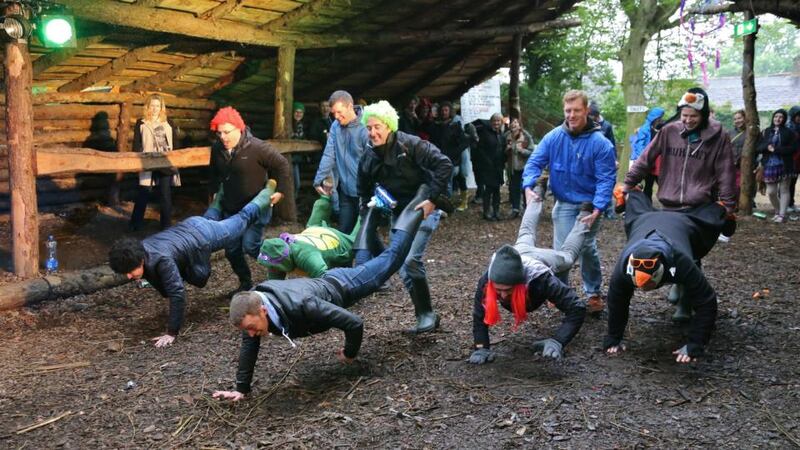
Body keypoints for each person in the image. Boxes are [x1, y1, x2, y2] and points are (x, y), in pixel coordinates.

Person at [212, 186, 430, 401]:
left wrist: (350, 353)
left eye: (251, 328)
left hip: (344, 285)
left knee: (392, 259)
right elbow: (249, 346)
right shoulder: (252, 304)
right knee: (364, 260)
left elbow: (354, 323)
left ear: (262, 310)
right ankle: (371, 209)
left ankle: (416, 209)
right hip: (330, 283)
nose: (250, 334)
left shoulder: (303, 305)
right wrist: (241, 389)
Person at [108, 183, 278, 348]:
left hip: (203, 236)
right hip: (192, 225)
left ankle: (266, 192)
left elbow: (177, 294)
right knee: (211, 220)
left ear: (141, 260)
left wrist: (171, 332)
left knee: (242, 219)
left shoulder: (162, 261)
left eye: (130, 271)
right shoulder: (141, 249)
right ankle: (219, 197)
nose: (129, 276)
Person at [356, 100, 453, 334]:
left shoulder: (411, 145)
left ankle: (427, 315)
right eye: (369, 128)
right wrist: (371, 213)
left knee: (410, 261)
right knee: (401, 264)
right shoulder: (368, 158)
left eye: (377, 126)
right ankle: (423, 315)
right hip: (399, 212)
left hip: (423, 206)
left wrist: (432, 198)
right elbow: (363, 191)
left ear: (389, 125)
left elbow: (444, 164)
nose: (373, 132)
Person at [469, 181, 590, 364]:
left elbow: (577, 308)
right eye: (498, 289)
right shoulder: (488, 280)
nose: (502, 295)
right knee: (525, 231)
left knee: (568, 255)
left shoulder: (541, 280)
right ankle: (537, 193)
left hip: (539, 260)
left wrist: (558, 341)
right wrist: (482, 347)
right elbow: (479, 315)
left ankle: (585, 213)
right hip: (520, 251)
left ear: (519, 284)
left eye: (507, 290)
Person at [603, 189, 728, 364]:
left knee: (714, 218)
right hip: (644, 221)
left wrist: (695, 344)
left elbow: (707, 300)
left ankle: (683, 296)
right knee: (634, 203)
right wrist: (613, 338)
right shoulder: (624, 266)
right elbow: (617, 301)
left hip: (684, 225)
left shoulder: (681, 261)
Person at [522, 90, 617, 313]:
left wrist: (598, 207)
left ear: (586, 111)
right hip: (564, 203)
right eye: (568, 111)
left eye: (576, 110)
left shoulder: (600, 143)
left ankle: (593, 293)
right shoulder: (554, 137)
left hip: (589, 205)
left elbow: (606, 178)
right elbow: (534, 162)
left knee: (585, 248)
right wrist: (528, 186)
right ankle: (559, 291)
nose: (571, 115)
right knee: (561, 252)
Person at [206, 107, 293, 293]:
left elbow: (282, 165)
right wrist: (214, 193)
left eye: (227, 132)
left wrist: (281, 192)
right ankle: (245, 283)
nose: (222, 136)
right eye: (219, 132)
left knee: (250, 245)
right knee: (231, 250)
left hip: (256, 206)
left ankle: (285, 260)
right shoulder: (217, 149)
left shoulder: (257, 147)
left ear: (239, 128)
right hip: (231, 208)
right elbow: (213, 174)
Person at [623, 88, 737, 214]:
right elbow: (645, 159)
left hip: (702, 208)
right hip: (669, 205)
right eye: (685, 115)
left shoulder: (719, 137)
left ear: (703, 115)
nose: (688, 120)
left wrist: (728, 204)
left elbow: (725, 172)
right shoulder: (668, 131)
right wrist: (628, 185)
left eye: (693, 116)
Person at [256, 193, 360, 280]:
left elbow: (323, 281)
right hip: (313, 231)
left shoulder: (307, 255)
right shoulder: (275, 255)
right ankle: (325, 196)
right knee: (315, 218)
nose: (273, 269)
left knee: (356, 240)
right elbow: (274, 283)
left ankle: (366, 213)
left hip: (334, 241)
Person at [313, 90, 369, 234]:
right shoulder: (335, 127)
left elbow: (373, 161)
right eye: (334, 114)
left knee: (366, 236)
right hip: (346, 192)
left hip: (364, 193)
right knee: (343, 233)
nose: (336, 117)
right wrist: (319, 179)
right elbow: (328, 154)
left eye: (339, 112)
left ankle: (388, 256)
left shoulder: (365, 127)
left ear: (350, 106)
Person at [129, 94, 180, 232]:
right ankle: (135, 224)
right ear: (148, 107)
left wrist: (175, 160)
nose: (155, 108)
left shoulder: (169, 123)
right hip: (147, 160)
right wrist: (137, 160)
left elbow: (175, 143)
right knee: (143, 192)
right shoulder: (141, 122)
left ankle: (166, 225)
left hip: (164, 161)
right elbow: (136, 143)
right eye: (152, 105)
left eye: (158, 105)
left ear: (162, 107)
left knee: (165, 193)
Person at [756, 109, 797, 223]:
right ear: (773, 118)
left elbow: (793, 149)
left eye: (781, 117)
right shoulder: (766, 131)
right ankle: (778, 211)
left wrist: (776, 149)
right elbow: (758, 147)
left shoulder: (789, 132)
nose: (778, 119)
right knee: (771, 192)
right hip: (769, 164)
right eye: (776, 116)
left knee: (784, 190)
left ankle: (782, 215)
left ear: (784, 119)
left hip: (785, 164)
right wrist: (767, 148)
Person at [428, 101, 470, 204]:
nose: (444, 112)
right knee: (440, 182)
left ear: (450, 111)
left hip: (452, 160)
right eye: (442, 110)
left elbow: (463, 142)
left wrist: (454, 154)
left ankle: (447, 205)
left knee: (448, 184)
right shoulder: (435, 126)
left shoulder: (455, 126)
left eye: (446, 110)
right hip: (439, 158)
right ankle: (442, 204)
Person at [470, 113, 507, 220]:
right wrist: (487, 162)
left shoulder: (502, 135)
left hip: (499, 167)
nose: (496, 123)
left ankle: (496, 211)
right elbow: (480, 150)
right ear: (491, 122)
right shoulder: (485, 134)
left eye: (498, 121)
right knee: (489, 189)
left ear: (501, 122)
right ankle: (486, 212)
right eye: (494, 121)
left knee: (497, 190)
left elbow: (503, 150)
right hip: (488, 166)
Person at [628, 107, 665, 203]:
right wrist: (643, 159)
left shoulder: (659, 127)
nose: (661, 118)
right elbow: (640, 144)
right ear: (656, 117)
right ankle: (647, 205)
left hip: (656, 161)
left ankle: (666, 203)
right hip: (649, 161)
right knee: (649, 184)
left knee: (661, 183)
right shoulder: (645, 129)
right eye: (660, 117)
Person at [504, 117, 534, 218]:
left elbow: (532, 151)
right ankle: (515, 209)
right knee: (514, 188)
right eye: (512, 123)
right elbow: (502, 152)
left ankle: (527, 209)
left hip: (524, 167)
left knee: (525, 188)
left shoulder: (526, 136)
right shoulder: (507, 136)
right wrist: (507, 150)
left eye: (516, 122)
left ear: (519, 125)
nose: (514, 124)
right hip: (512, 168)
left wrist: (522, 151)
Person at [290, 101, 308, 198]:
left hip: (297, 159)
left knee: (296, 184)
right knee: (296, 184)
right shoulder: (288, 124)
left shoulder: (301, 125)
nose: (298, 114)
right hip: (290, 158)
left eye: (301, 112)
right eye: (296, 112)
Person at [785, 106, 800, 214]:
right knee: (787, 183)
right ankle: (785, 204)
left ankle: (791, 203)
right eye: (797, 116)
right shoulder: (788, 128)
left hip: (798, 159)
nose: (799, 118)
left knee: (793, 182)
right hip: (790, 159)